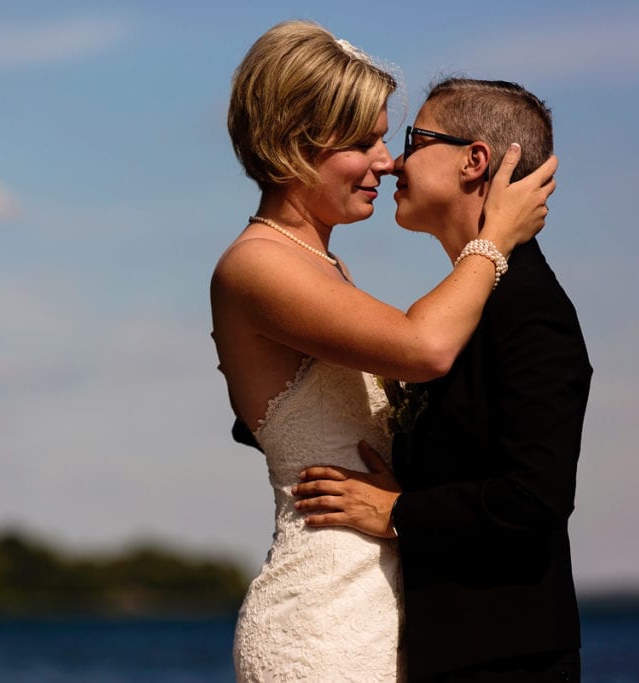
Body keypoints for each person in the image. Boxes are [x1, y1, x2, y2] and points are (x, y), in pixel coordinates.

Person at [212, 21, 557, 682]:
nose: (387, 160)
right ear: (295, 144)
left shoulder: (319, 267)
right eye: (364, 141)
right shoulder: (257, 264)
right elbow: (425, 347)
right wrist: (498, 238)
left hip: (378, 608)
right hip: (321, 623)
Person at [292, 78, 591, 681]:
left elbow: (536, 498)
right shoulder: (470, 308)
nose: (396, 160)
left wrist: (399, 512)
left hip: (507, 660)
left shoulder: (530, 309)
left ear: (473, 161)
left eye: (415, 139)